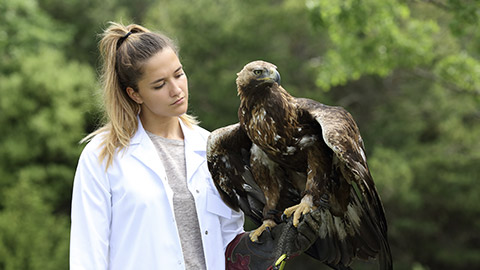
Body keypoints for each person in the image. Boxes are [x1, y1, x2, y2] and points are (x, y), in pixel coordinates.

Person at [70, 22, 318, 270]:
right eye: (160, 85)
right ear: (134, 94)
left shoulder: (212, 148)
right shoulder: (102, 156)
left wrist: (268, 245)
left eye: (178, 74)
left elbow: (227, 241)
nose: (176, 89)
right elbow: (88, 254)